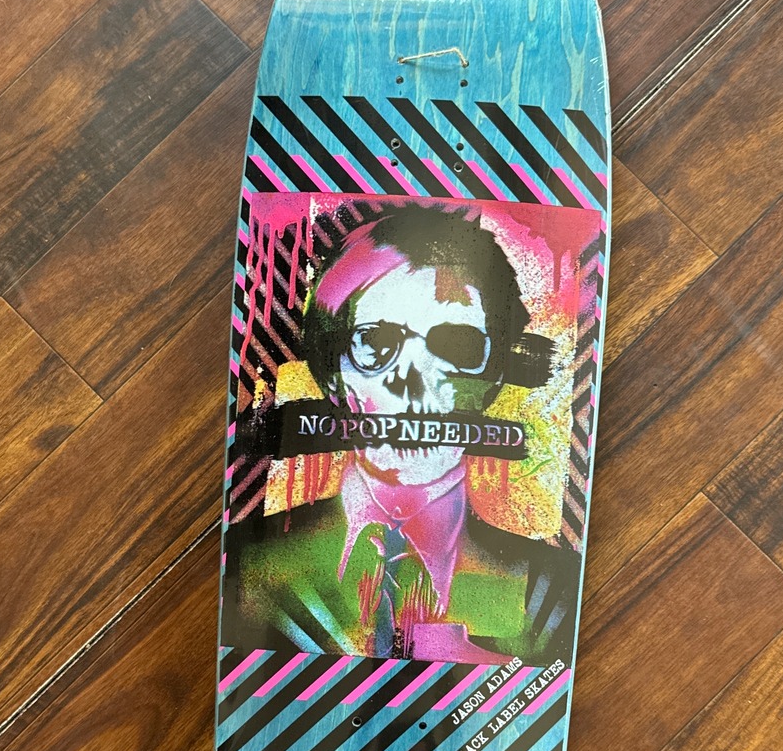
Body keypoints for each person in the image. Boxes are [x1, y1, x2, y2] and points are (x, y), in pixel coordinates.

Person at [224, 202, 578, 662]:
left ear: (492, 378)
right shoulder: (247, 563)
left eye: (457, 345)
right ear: (334, 376)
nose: (414, 385)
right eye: (375, 343)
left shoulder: (552, 593)